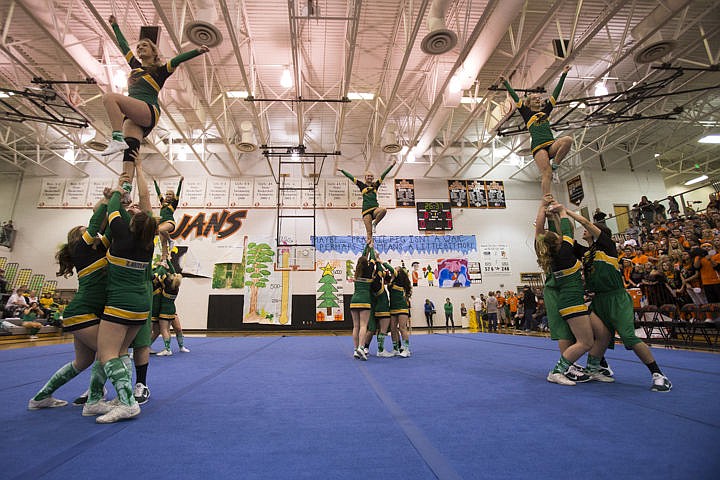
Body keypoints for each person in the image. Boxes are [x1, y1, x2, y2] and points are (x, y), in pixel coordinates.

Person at [563, 206, 672, 391]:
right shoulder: (587, 253)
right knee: (597, 336)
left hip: (616, 298)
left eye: (588, 230)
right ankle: (596, 368)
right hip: (599, 300)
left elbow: (585, 222)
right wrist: (554, 220)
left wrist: (566, 212)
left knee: (629, 337)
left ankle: (658, 374)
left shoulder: (607, 246)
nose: (584, 231)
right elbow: (565, 240)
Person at [101, 15, 209, 185]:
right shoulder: (135, 66)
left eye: (145, 45)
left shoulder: (160, 70)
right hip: (135, 115)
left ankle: (116, 138)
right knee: (130, 148)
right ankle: (126, 187)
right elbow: (123, 46)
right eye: (138, 46)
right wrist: (115, 26)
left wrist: (197, 51)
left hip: (148, 110)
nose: (140, 48)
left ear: (154, 51)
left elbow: (177, 59)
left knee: (109, 98)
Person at [87, 166, 157, 423]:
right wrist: (136, 173)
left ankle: (127, 402)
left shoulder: (122, 235)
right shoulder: (148, 243)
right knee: (120, 353)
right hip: (140, 304)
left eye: (134, 212)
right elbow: (147, 209)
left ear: (131, 223)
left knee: (106, 354)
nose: (134, 209)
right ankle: (117, 395)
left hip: (119, 304)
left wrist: (121, 186)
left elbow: (112, 208)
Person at [28, 197, 111, 410]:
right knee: (106, 351)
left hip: (86, 312)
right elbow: (96, 223)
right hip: (82, 312)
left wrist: (118, 204)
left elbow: (109, 227)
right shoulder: (81, 251)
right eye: (86, 232)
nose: (94, 233)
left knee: (83, 361)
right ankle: (94, 400)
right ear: (79, 239)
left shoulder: (98, 250)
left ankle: (40, 397)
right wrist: (109, 198)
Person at [534, 196, 595, 385]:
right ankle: (563, 367)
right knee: (573, 336)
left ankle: (571, 364)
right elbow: (566, 230)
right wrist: (560, 211)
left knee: (576, 334)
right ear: (558, 242)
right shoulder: (565, 252)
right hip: (564, 295)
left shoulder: (547, 250)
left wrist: (546, 210)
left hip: (563, 293)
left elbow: (542, 232)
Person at [500, 65, 572, 195]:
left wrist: (564, 74)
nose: (538, 99)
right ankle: (547, 198)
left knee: (567, 140)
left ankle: (555, 165)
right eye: (534, 98)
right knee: (546, 173)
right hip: (538, 147)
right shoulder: (526, 112)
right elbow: (515, 97)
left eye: (539, 98)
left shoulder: (546, 110)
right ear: (529, 102)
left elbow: (556, 93)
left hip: (551, 144)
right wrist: (506, 83)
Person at [338, 161, 396, 246]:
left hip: (375, 209)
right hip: (366, 211)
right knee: (369, 234)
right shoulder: (361, 185)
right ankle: (369, 252)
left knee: (383, 210)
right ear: (365, 177)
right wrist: (342, 170)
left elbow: (383, 175)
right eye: (368, 176)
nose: (370, 177)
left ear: (373, 178)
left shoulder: (376, 185)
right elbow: (350, 177)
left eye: (371, 176)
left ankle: (375, 224)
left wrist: (391, 166)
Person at [154, 177, 183, 266]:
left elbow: (178, 193)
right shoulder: (163, 203)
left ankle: (170, 240)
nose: (168, 195)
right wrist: (155, 181)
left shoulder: (174, 203)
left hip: (170, 222)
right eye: (167, 194)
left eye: (170, 194)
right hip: (162, 223)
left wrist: (180, 182)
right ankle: (164, 261)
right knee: (163, 244)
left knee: (160, 230)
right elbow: (158, 192)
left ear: (173, 196)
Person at [350, 255, 374, 360]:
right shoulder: (369, 272)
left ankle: (355, 349)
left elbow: (365, 260)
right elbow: (372, 259)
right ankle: (361, 347)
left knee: (356, 326)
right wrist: (371, 247)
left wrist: (367, 246)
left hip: (354, 300)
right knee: (364, 325)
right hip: (364, 301)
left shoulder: (357, 273)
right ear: (367, 264)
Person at [389, 265, 413, 357]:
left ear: (399, 273)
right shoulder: (393, 279)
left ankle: (406, 349)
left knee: (402, 328)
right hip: (393, 307)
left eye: (396, 269)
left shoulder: (399, 280)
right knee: (393, 328)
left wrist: (380, 261)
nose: (394, 270)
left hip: (402, 307)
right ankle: (396, 349)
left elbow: (390, 268)